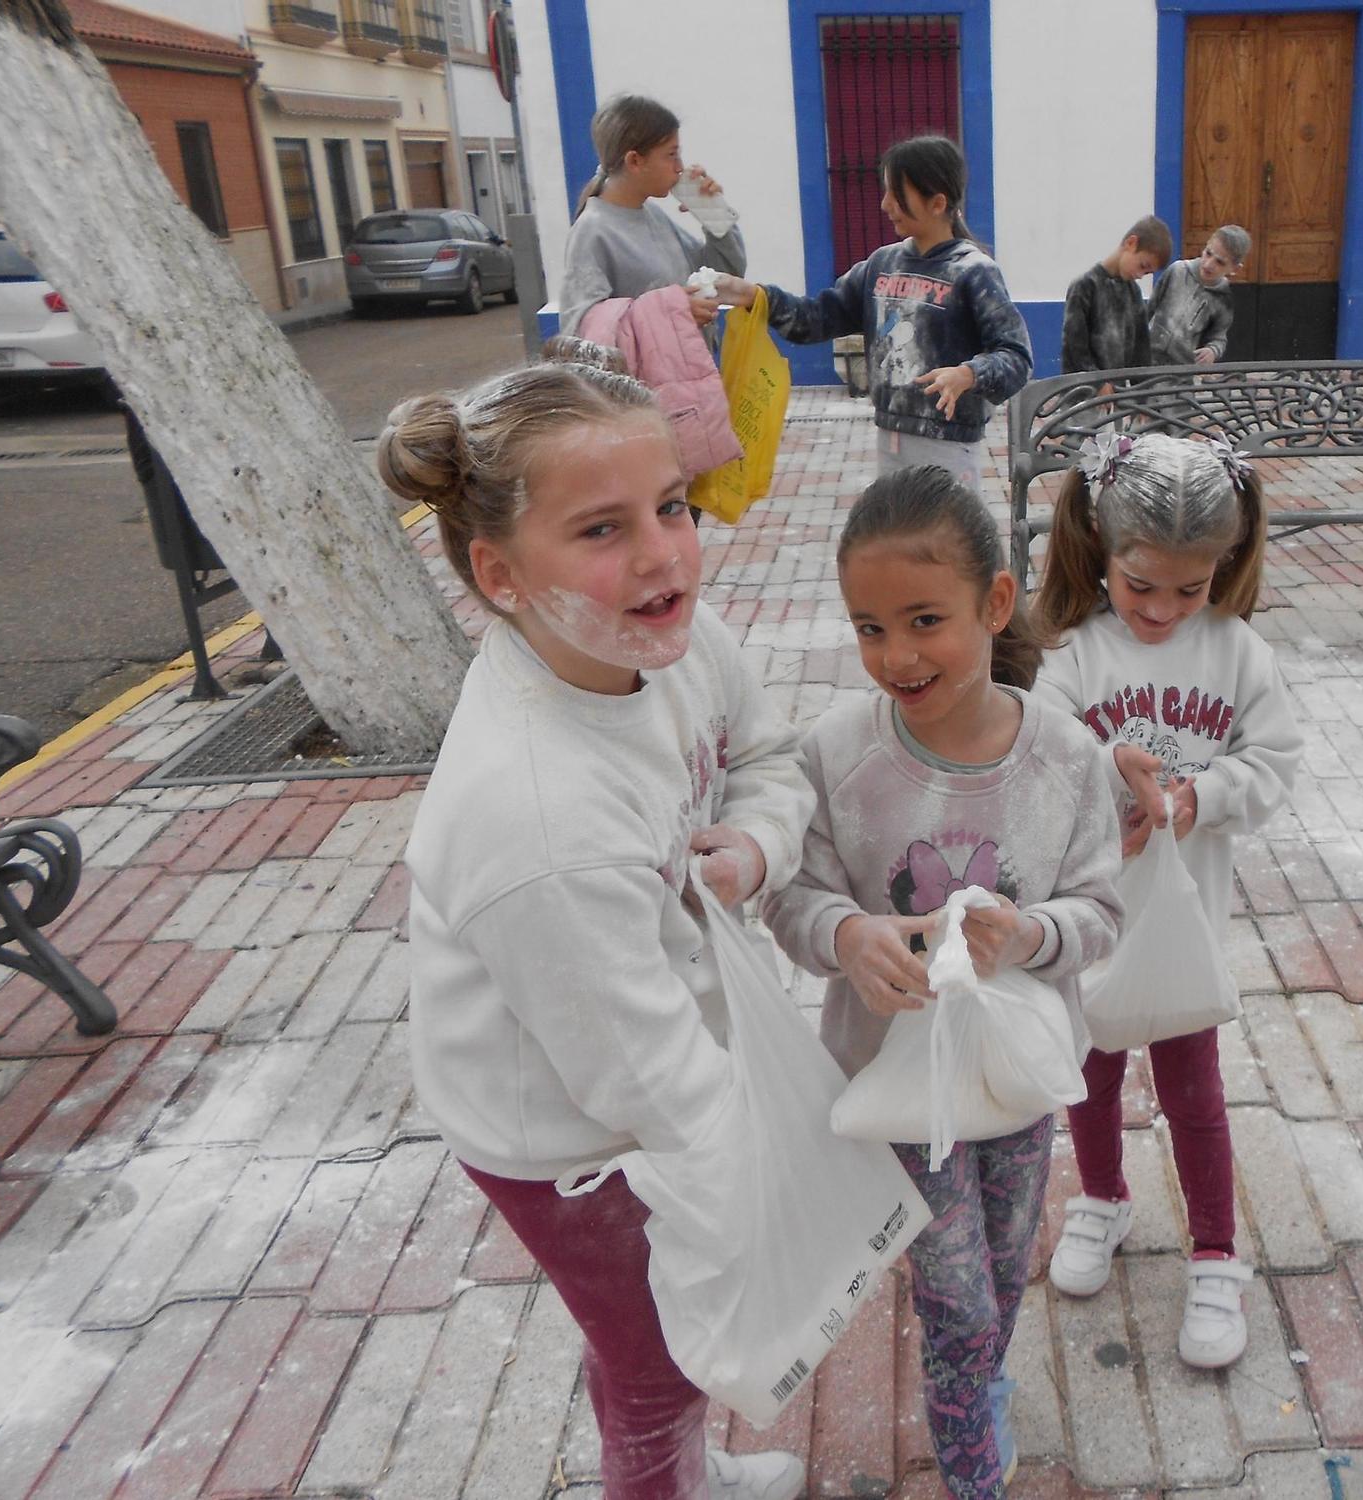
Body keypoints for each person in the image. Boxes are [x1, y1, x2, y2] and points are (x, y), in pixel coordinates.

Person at [379, 355, 815, 1500]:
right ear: (499, 573)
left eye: (670, 505)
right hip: (571, 1146)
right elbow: (646, 1079)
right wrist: (775, 1182)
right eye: (601, 529)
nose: (664, 554)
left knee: (645, 1338)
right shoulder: (537, 816)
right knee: (660, 1363)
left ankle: (686, 1463)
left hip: (643, 1064)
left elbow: (769, 755)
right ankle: (667, 1472)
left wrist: (755, 843)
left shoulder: (665, 640)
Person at [763, 466, 1122, 1500]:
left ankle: (982, 1380)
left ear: (995, 604)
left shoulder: (1066, 758)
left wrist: (1033, 933)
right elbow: (793, 898)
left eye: (926, 621)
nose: (897, 656)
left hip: (1017, 1075)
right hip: (895, 1081)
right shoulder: (835, 753)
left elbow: (1102, 912)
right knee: (954, 1289)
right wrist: (847, 936)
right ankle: (970, 1465)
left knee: (1004, 1262)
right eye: (869, 628)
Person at [1029, 431, 1301, 1369]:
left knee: (1193, 1090)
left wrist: (1200, 797)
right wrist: (1107, 770)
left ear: (1224, 565)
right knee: (1090, 1069)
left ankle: (1216, 1252)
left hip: (1186, 924)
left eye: (1189, 589)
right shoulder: (1074, 653)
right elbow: (1039, 745)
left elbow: (1275, 763)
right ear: (1099, 549)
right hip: (1092, 917)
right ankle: (1101, 1197)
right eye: (1139, 584)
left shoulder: (1237, 652)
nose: (1160, 609)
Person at [715, 135, 1031, 493]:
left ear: (937, 203)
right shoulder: (881, 264)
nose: (885, 204)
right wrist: (756, 296)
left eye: (897, 194)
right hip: (890, 439)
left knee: (944, 531)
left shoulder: (973, 272)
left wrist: (968, 374)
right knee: (896, 528)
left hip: (949, 448)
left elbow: (1017, 357)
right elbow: (816, 318)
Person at [560, 93, 745, 340]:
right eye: (671, 155)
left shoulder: (653, 216)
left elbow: (723, 276)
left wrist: (714, 214)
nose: (680, 167)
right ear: (635, 161)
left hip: (689, 364)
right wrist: (672, 315)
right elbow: (583, 329)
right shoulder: (592, 231)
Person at [1061, 216, 1171, 378]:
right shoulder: (1085, 287)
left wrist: (1142, 388)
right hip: (1083, 388)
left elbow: (1141, 355)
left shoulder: (1134, 293)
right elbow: (1074, 349)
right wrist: (1098, 381)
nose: (1140, 275)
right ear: (1131, 243)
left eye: (1147, 273)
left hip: (1119, 390)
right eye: (1142, 266)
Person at [1147, 226, 1248, 367]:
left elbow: (1218, 337)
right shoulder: (1177, 271)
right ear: (1205, 247)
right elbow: (1150, 308)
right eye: (1208, 253)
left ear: (1235, 269)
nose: (1209, 264)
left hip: (1181, 370)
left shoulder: (1223, 299)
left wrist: (1212, 350)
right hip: (1148, 358)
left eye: (1220, 262)